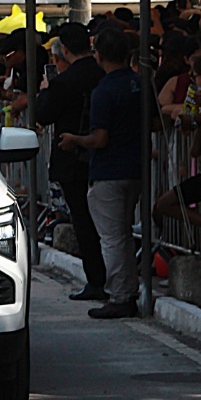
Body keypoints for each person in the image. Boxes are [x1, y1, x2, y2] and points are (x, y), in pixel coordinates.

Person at [58, 29, 143, 319]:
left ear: (99, 55)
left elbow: (100, 138)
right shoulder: (138, 84)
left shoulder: (104, 91)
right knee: (123, 236)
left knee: (113, 238)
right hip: (135, 167)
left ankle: (120, 296)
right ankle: (127, 290)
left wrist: (75, 140)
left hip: (109, 171)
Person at [32, 24, 106, 302]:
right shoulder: (101, 74)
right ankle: (108, 278)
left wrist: (44, 91)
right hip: (102, 157)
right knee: (107, 223)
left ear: (64, 49)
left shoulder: (65, 81)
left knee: (84, 221)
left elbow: (44, 113)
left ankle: (97, 280)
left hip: (74, 159)